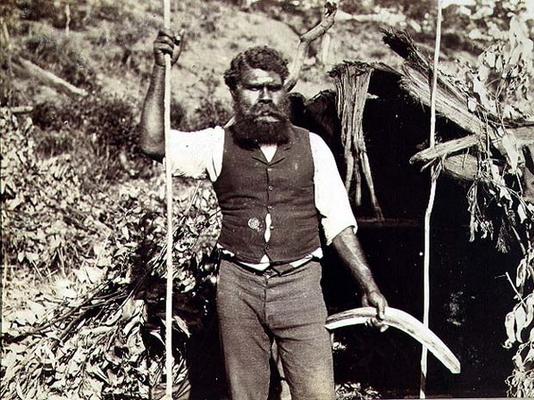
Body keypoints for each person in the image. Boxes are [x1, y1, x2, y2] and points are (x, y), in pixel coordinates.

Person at [140, 29, 388, 400]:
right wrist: (162, 70)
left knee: (318, 395)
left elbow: (338, 224)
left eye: (274, 87)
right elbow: (152, 142)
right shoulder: (215, 145)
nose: (266, 97)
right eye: (254, 88)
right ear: (235, 92)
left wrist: (369, 287)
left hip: (300, 288)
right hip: (240, 289)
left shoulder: (313, 148)